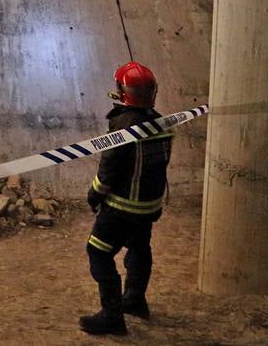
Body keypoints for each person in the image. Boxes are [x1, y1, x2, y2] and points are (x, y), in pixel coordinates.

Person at [80, 61, 173, 336]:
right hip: (148, 208)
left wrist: (94, 194)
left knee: (98, 251)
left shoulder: (123, 127)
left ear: (123, 91)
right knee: (139, 247)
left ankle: (112, 316)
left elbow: (108, 169)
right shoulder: (163, 124)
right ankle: (134, 300)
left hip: (121, 207)